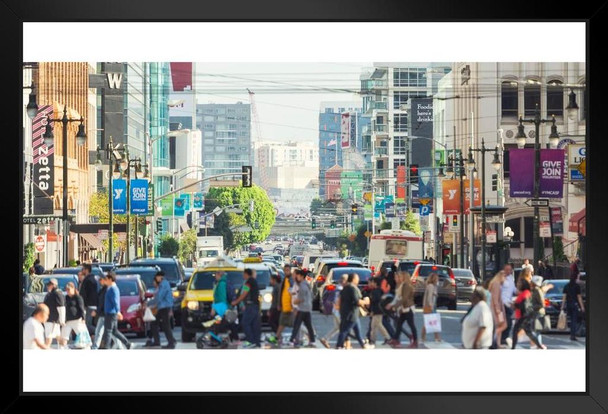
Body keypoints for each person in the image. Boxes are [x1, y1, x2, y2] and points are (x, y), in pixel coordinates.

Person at [336, 273, 372, 349]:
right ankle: (339, 345)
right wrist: (365, 302)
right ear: (353, 279)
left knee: (357, 332)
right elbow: (357, 301)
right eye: (357, 278)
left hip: (347, 312)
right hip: (351, 313)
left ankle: (363, 345)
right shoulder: (352, 288)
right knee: (345, 330)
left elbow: (340, 300)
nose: (358, 280)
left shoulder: (345, 288)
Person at [99, 271, 133, 350]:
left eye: (106, 279)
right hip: (109, 312)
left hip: (111, 313)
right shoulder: (110, 288)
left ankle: (106, 347)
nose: (105, 281)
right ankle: (127, 344)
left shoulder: (113, 289)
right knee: (114, 331)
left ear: (110, 279)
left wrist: (118, 312)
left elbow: (115, 301)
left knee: (108, 331)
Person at [386, 271, 418, 348]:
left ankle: (415, 341)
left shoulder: (406, 286)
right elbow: (399, 297)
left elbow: (404, 298)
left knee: (411, 325)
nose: (399, 278)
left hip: (408, 308)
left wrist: (395, 306)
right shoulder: (402, 285)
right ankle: (396, 339)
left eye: (401, 276)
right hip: (404, 309)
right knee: (399, 324)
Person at [511, 278, 545, 349]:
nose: (518, 284)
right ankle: (540, 346)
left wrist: (516, 305)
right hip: (525, 315)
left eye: (520, 283)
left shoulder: (529, 292)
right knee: (529, 332)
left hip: (526, 315)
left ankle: (513, 347)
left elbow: (525, 304)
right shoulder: (529, 291)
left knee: (517, 331)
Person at [231, 268, 261, 348]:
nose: (242, 276)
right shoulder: (253, 281)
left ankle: (251, 341)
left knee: (245, 323)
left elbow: (244, 294)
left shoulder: (248, 282)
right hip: (255, 306)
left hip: (250, 306)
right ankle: (256, 342)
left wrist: (236, 302)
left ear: (246, 274)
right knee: (254, 325)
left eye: (243, 274)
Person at [147, 271, 177, 349]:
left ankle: (171, 343)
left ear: (160, 277)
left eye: (157, 277)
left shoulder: (163, 284)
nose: (156, 279)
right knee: (155, 323)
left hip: (164, 307)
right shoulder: (164, 284)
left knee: (166, 325)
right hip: (162, 307)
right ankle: (159, 341)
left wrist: (150, 304)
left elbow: (160, 297)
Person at [319, 273, 348, 349]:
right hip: (339, 312)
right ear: (344, 281)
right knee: (344, 328)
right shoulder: (341, 290)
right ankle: (343, 343)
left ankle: (325, 338)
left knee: (337, 327)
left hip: (334, 311)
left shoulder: (336, 289)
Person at [289, 269, 316, 347]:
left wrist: (295, 302)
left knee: (297, 325)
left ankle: (291, 340)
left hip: (302, 308)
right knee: (308, 325)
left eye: (298, 276)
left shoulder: (302, 286)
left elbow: (300, 298)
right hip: (308, 307)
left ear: (301, 276)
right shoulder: (307, 284)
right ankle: (313, 340)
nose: (297, 277)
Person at [271, 264, 295, 346]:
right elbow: (282, 293)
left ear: (290, 270)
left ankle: (309, 336)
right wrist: (279, 304)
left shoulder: (291, 280)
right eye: (285, 270)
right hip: (284, 305)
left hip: (289, 306)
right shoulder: (285, 279)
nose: (286, 272)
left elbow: (292, 293)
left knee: (295, 323)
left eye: (288, 270)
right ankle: (277, 337)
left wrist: (292, 304)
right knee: (283, 323)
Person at [60, 282, 87, 348]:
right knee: (64, 336)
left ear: (73, 289)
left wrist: (83, 318)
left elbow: (81, 308)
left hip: (76, 320)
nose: (67, 291)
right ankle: (62, 348)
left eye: (69, 289)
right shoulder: (66, 297)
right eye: (66, 290)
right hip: (67, 320)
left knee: (81, 336)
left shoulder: (78, 297)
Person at [367, 277, 391, 345]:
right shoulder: (378, 290)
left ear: (374, 283)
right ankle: (373, 339)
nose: (369, 284)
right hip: (378, 310)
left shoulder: (376, 291)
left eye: (370, 282)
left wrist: (372, 310)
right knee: (374, 326)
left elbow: (375, 302)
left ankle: (387, 338)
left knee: (378, 324)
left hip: (377, 311)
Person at [561, 273, 585, 341]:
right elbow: (579, 297)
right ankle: (573, 335)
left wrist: (562, 306)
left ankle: (571, 334)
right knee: (574, 320)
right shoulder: (577, 286)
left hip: (568, 305)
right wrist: (582, 307)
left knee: (571, 319)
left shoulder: (566, 286)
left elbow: (564, 297)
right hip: (575, 304)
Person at [43, 278, 65, 349]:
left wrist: (62, 320)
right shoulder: (51, 294)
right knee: (57, 336)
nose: (48, 286)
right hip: (50, 319)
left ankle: (46, 349)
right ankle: (63, 348)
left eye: (49, 285)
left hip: (52, 319)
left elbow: (61, 307)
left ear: (54, 285)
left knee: (48, 337)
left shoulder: (57, 294)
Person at [488, 271, 507, 349]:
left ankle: (498, 343)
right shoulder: (496, 284)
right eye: (505, 277)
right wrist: (498, 310)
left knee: (499, 325)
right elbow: (495, 299)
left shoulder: (496, 283)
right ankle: (493, 340)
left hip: (496, 308)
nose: (505, 279)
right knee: (503, 325)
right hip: (497, 309)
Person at [79, 263, 99, 337]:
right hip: (91, 305)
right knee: (89, 324)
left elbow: (85, 294)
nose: (82, 271)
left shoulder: (88, 280)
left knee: (88, 325)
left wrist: (83, 304)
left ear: (86, 270)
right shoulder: (92, 279)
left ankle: (102, 332)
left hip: (90, 305)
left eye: (83, 269)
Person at [421, 273, 441, 343]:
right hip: (429, 307)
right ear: (434, 279)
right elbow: (429, 297)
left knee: (433, 322)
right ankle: (425, 337)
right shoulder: (431, 286)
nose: (438, 279)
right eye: (436, 278)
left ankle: (436, 337)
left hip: (431, 306)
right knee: (429, 322)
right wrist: (430, 306)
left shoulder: (433, 286)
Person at [500, 264, 517, 347]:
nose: (508, 271)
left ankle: (504, 338)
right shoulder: (501, 278)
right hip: (502, 303)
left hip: (508, 303)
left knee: (509, 322)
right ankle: (501, 338)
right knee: (504, 322)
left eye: (509, 270)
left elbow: (514, 290)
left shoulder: (511, 278)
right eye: (506, 269)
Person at [267, 273, 281, 341]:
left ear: (274, 280)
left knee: (271, 321)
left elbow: (278, 298)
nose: (270, 281)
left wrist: (278, 305)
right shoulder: (276, 287)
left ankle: (278, 335)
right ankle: (278, 336)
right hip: (275, 307)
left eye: (271, 279)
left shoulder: (277, 287)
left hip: (276, 307)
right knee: (276, 322)